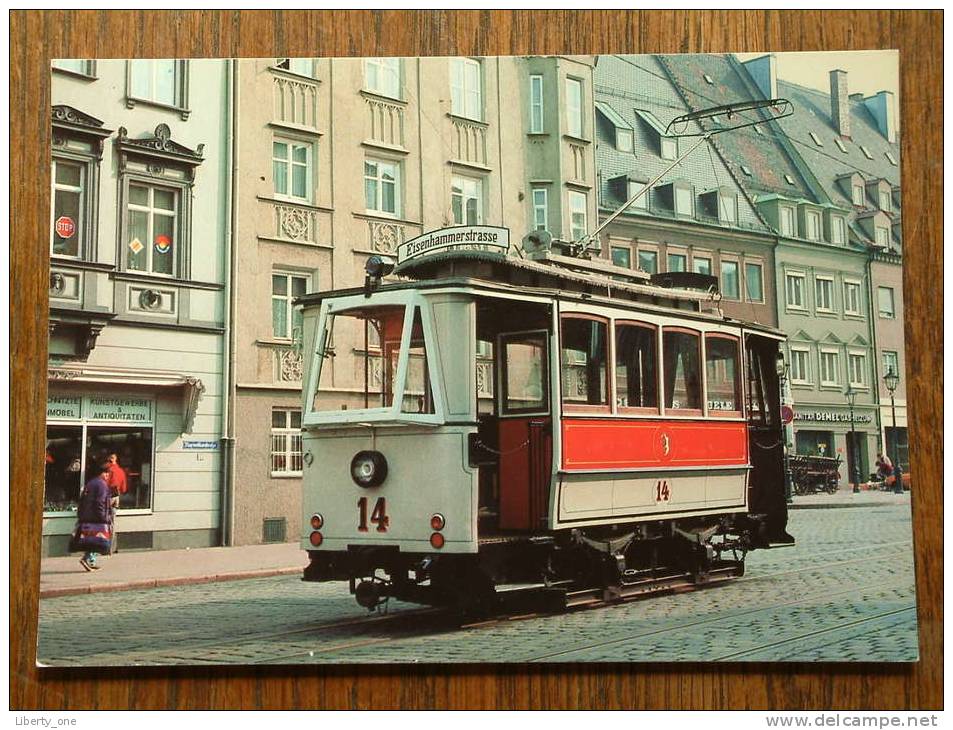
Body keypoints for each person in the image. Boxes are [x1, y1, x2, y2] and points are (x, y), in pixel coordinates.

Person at [77, 464, 112, 571]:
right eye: (105, 473)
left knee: (94, 539)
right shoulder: (101, 484)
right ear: (100, 473)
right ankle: (86, 559)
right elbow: (99, 502)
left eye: (108, 473)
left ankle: (91, 561)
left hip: (87, 515)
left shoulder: (91, 482)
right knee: (98, 539)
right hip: (96, 517)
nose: (107, 475)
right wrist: (103, 517)